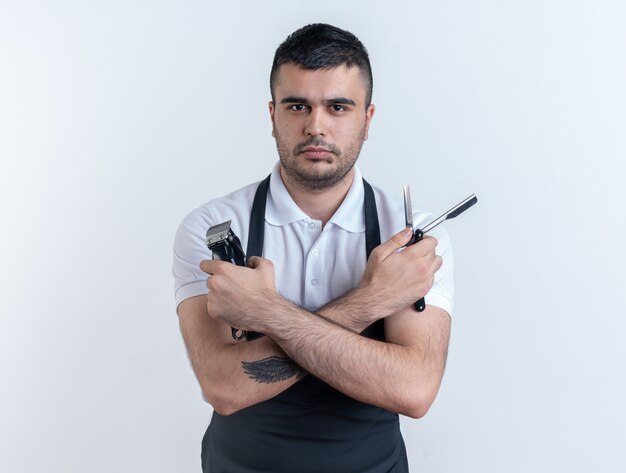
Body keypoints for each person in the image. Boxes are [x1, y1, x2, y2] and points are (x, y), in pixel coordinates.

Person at [173, 23, 454, 473]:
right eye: (297, 105)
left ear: (367, 118)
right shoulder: (212, 227)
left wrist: (265, 313)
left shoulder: (408, 232)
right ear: (272, 115)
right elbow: (224, 387)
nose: (315, 126)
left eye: (338, 107)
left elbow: (415, 390)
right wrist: (372, 300)